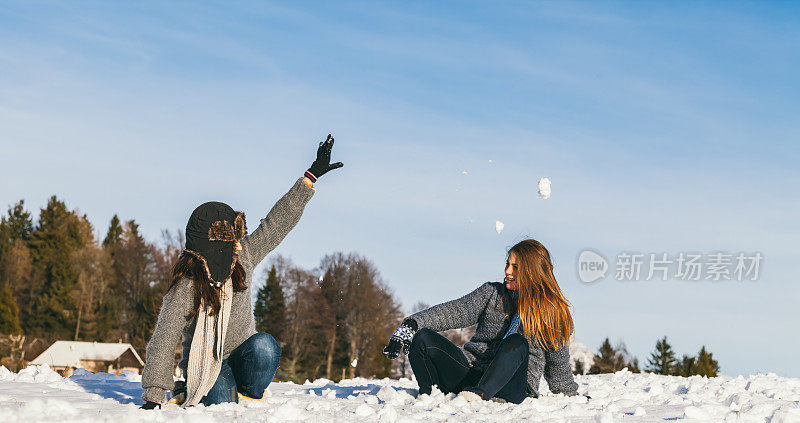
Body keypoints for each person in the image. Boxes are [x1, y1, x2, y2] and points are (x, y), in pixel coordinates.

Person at [140, 135, 343, 409]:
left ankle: (249, 393)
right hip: (208, 362)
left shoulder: (243, 257)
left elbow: (276, 223)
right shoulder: (187, 286)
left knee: (266, 346)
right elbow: (164, 338)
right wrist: (154, 395)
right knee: (222, 403)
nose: (237, 246)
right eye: (230, 241)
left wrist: (310, 178)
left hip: (243, 354)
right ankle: (212, 389)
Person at [383, 239, 578, 404]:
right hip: (472, 373)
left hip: (512, 387)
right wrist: (413, 323)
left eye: (515, 267)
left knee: (517, 343)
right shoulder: (492, 294)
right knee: (423, 337)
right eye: (507, 264)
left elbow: (559, 372)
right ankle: (429, 397)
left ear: (532, 272)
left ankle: (479, 395)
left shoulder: (552, 313)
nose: (508, 271)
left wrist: (574, 397)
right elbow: (455, 310)